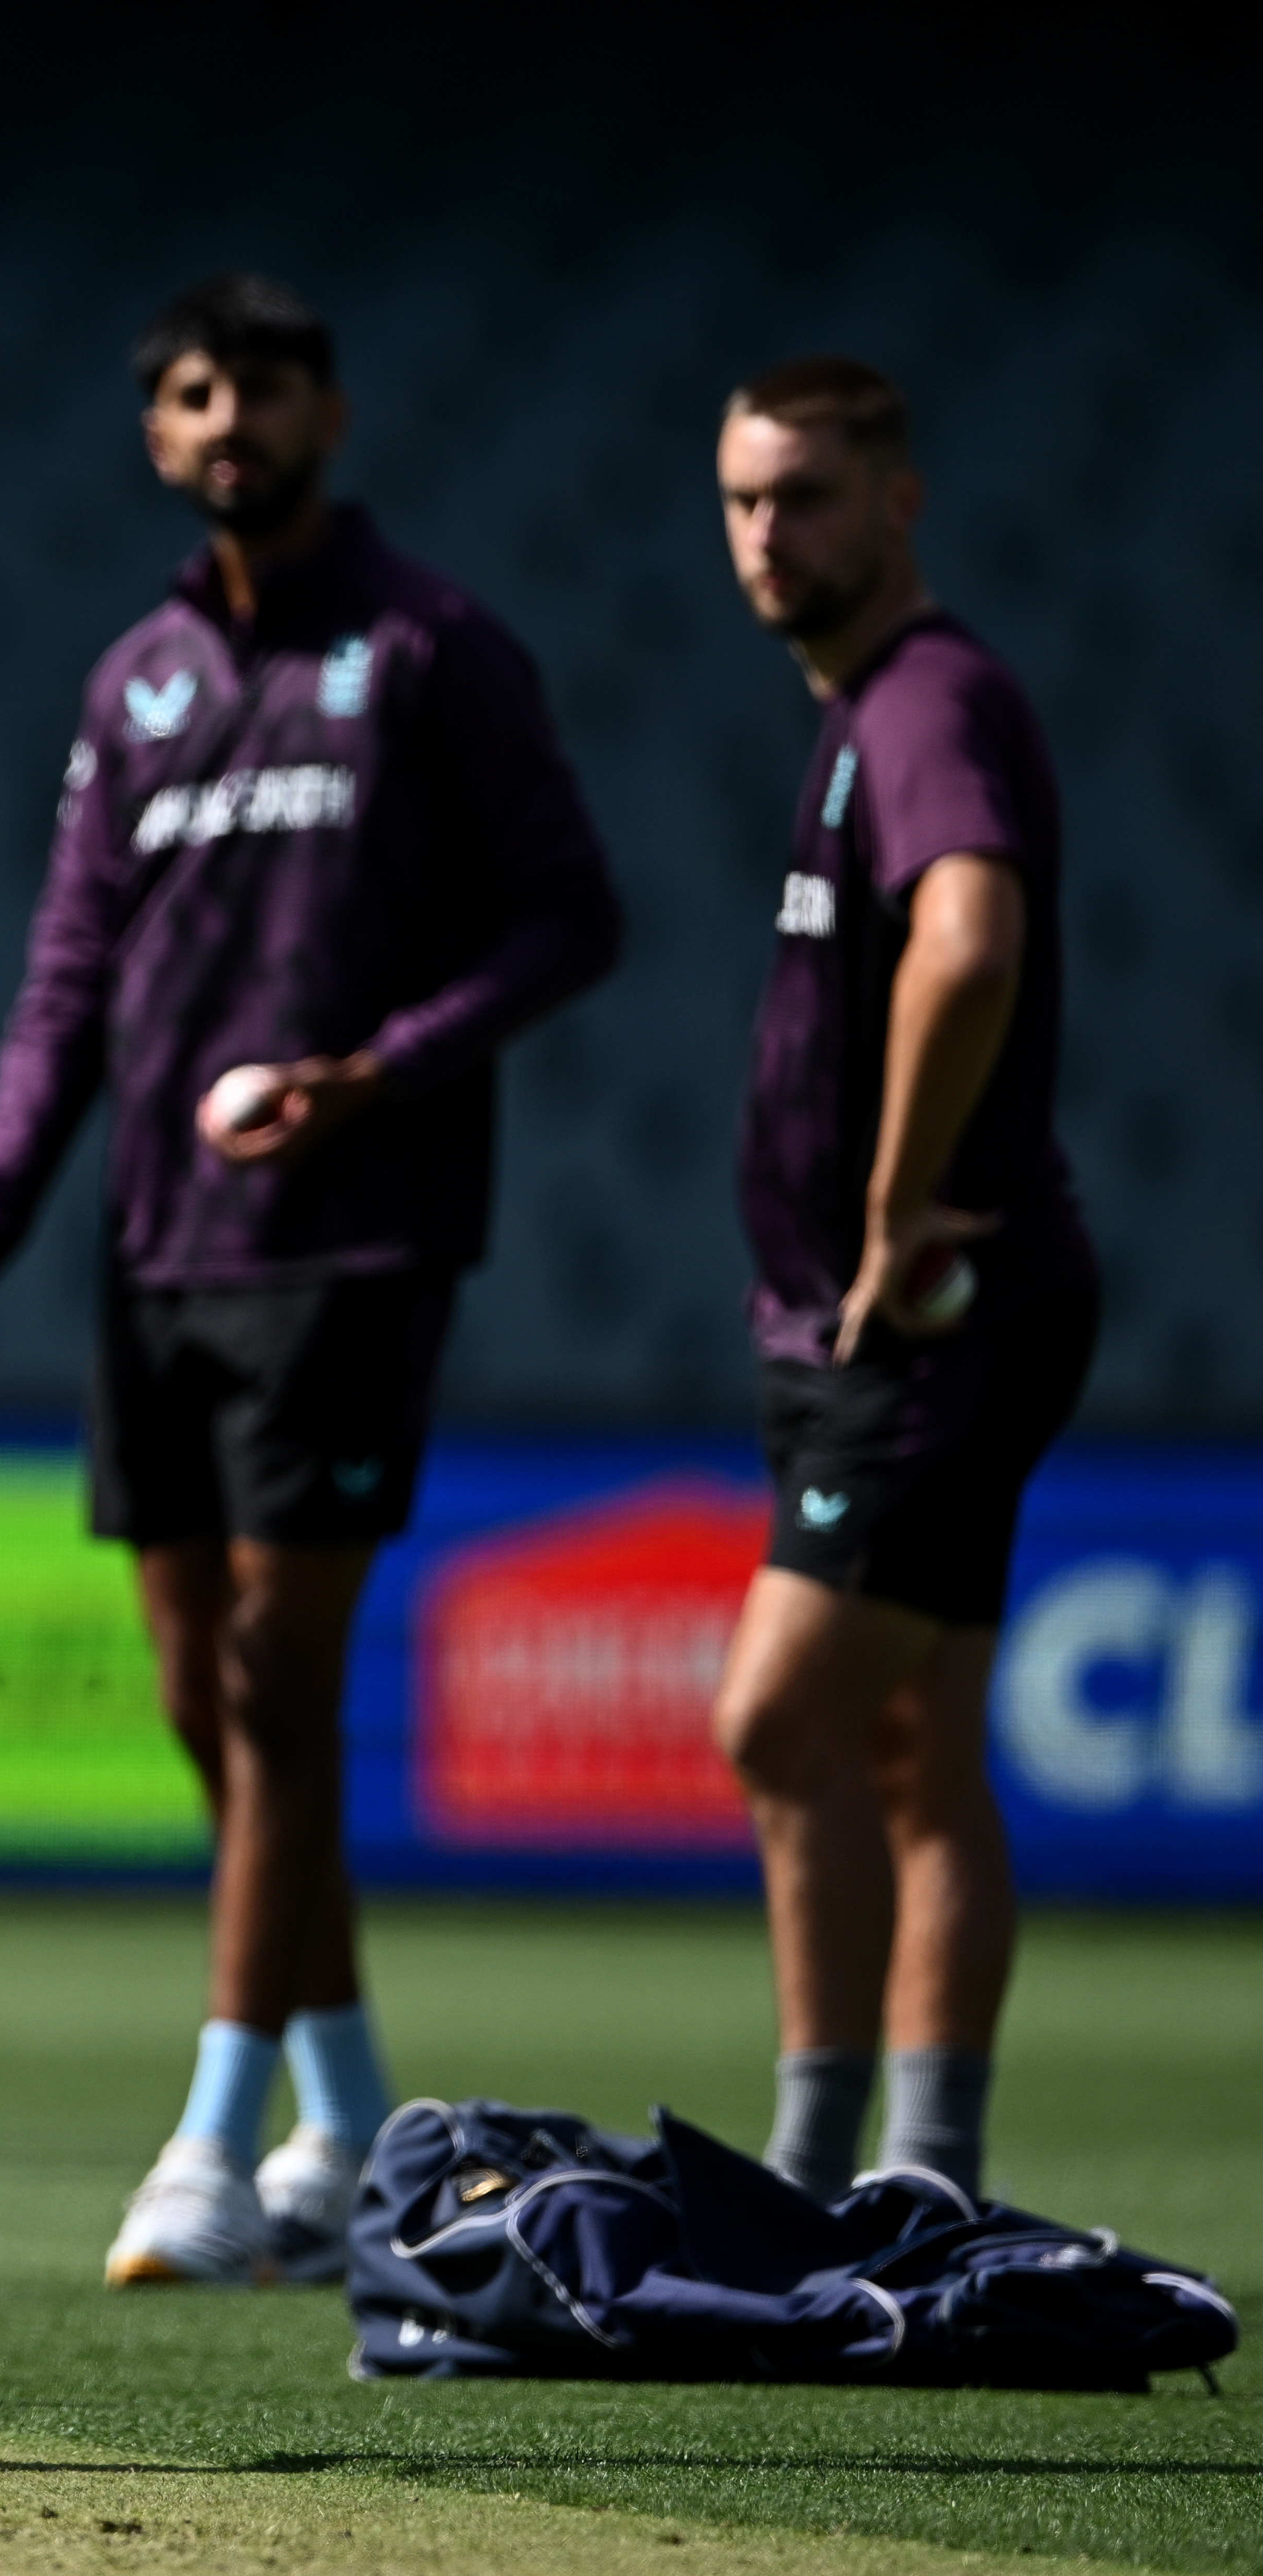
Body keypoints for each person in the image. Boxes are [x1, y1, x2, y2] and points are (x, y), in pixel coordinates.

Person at [0, 273, 618, 2288]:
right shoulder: (129, 687)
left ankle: (208, 2141)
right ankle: (357, 2115)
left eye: (263, 389)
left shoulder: (435, 648)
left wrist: (370, 1070)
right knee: (210, 1703)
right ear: (156, 434)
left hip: (352, 1243)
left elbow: (570, 918)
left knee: (280, 1685)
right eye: (193, 395)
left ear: (327, 414)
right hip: (150, 1250)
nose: (229, 421)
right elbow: (61, 988)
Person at [702, 358, 1092, 2206]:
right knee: (919, 1743)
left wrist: (893, 1198)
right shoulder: (871, 709)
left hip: (930, 1312)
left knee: (776, 1716)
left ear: (900, 500)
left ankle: (820, 2166)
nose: (770, 535)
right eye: (744, 502)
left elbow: (973, 938)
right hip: (892, 1316)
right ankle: (917, 2177)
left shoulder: (929, 698)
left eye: (808, 496)